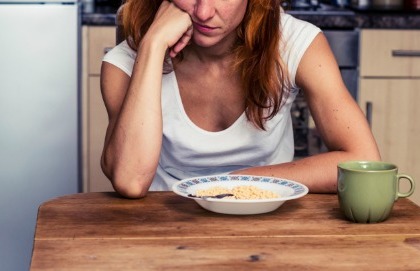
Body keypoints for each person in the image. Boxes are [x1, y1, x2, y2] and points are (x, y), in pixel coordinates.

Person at [100, 0, 381, 199]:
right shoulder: (124, 63)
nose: (204, 12)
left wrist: (236, 184)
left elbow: (362, 159)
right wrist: (152, 45)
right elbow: (130, 182)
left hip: (265, 210)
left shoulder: (295, 42)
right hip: (163, 219)